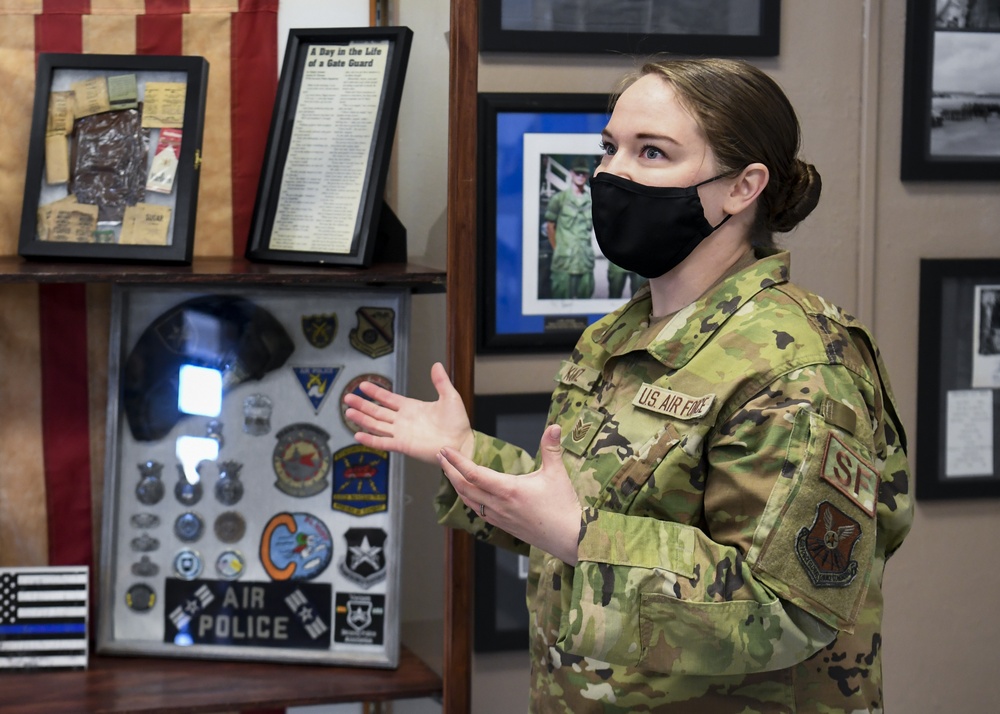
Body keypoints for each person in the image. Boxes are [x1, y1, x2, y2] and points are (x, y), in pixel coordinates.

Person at [344, 57, 913, 713]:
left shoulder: (799, 366)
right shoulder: (619, 335)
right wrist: (466, 452)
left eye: (653, 152)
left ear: (743, 187)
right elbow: (589, 507)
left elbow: (789, 607)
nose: (613, 173)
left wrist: (582, 535)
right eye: (610, 148)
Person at [544, 156, 596, 300]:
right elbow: (550, 226)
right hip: (564, 262)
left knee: (585, 305)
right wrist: (557, 249)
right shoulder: (559, 199)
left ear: (587, 175)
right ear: (571, 173)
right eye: (577, 173)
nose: (580, 176)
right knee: (560, 304)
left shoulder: (592, 200)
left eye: (583, 173)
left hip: (584, 261)